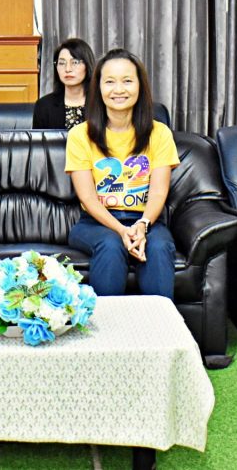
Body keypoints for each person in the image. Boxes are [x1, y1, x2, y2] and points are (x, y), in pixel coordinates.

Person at [65, 49, 179, 299]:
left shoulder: (159, 133)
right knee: (110, 244)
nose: (119, 90)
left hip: (146, 220)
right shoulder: (80, 135)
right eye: (110, 82)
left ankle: (160, 323)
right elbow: (88, 198)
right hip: (96, 223)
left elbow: (158, 192)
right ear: (98, 88)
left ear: (140, 86)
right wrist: (121, 230)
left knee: (159, 246)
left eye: (127, 81)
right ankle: (106, 324)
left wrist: (142, 225)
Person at [33, 38, 96, 129]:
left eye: (75, 62)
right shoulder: (44, 106)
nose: (68, 69)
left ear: (87, 65)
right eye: (62, 63)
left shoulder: (100, 104)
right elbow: (39, 138)